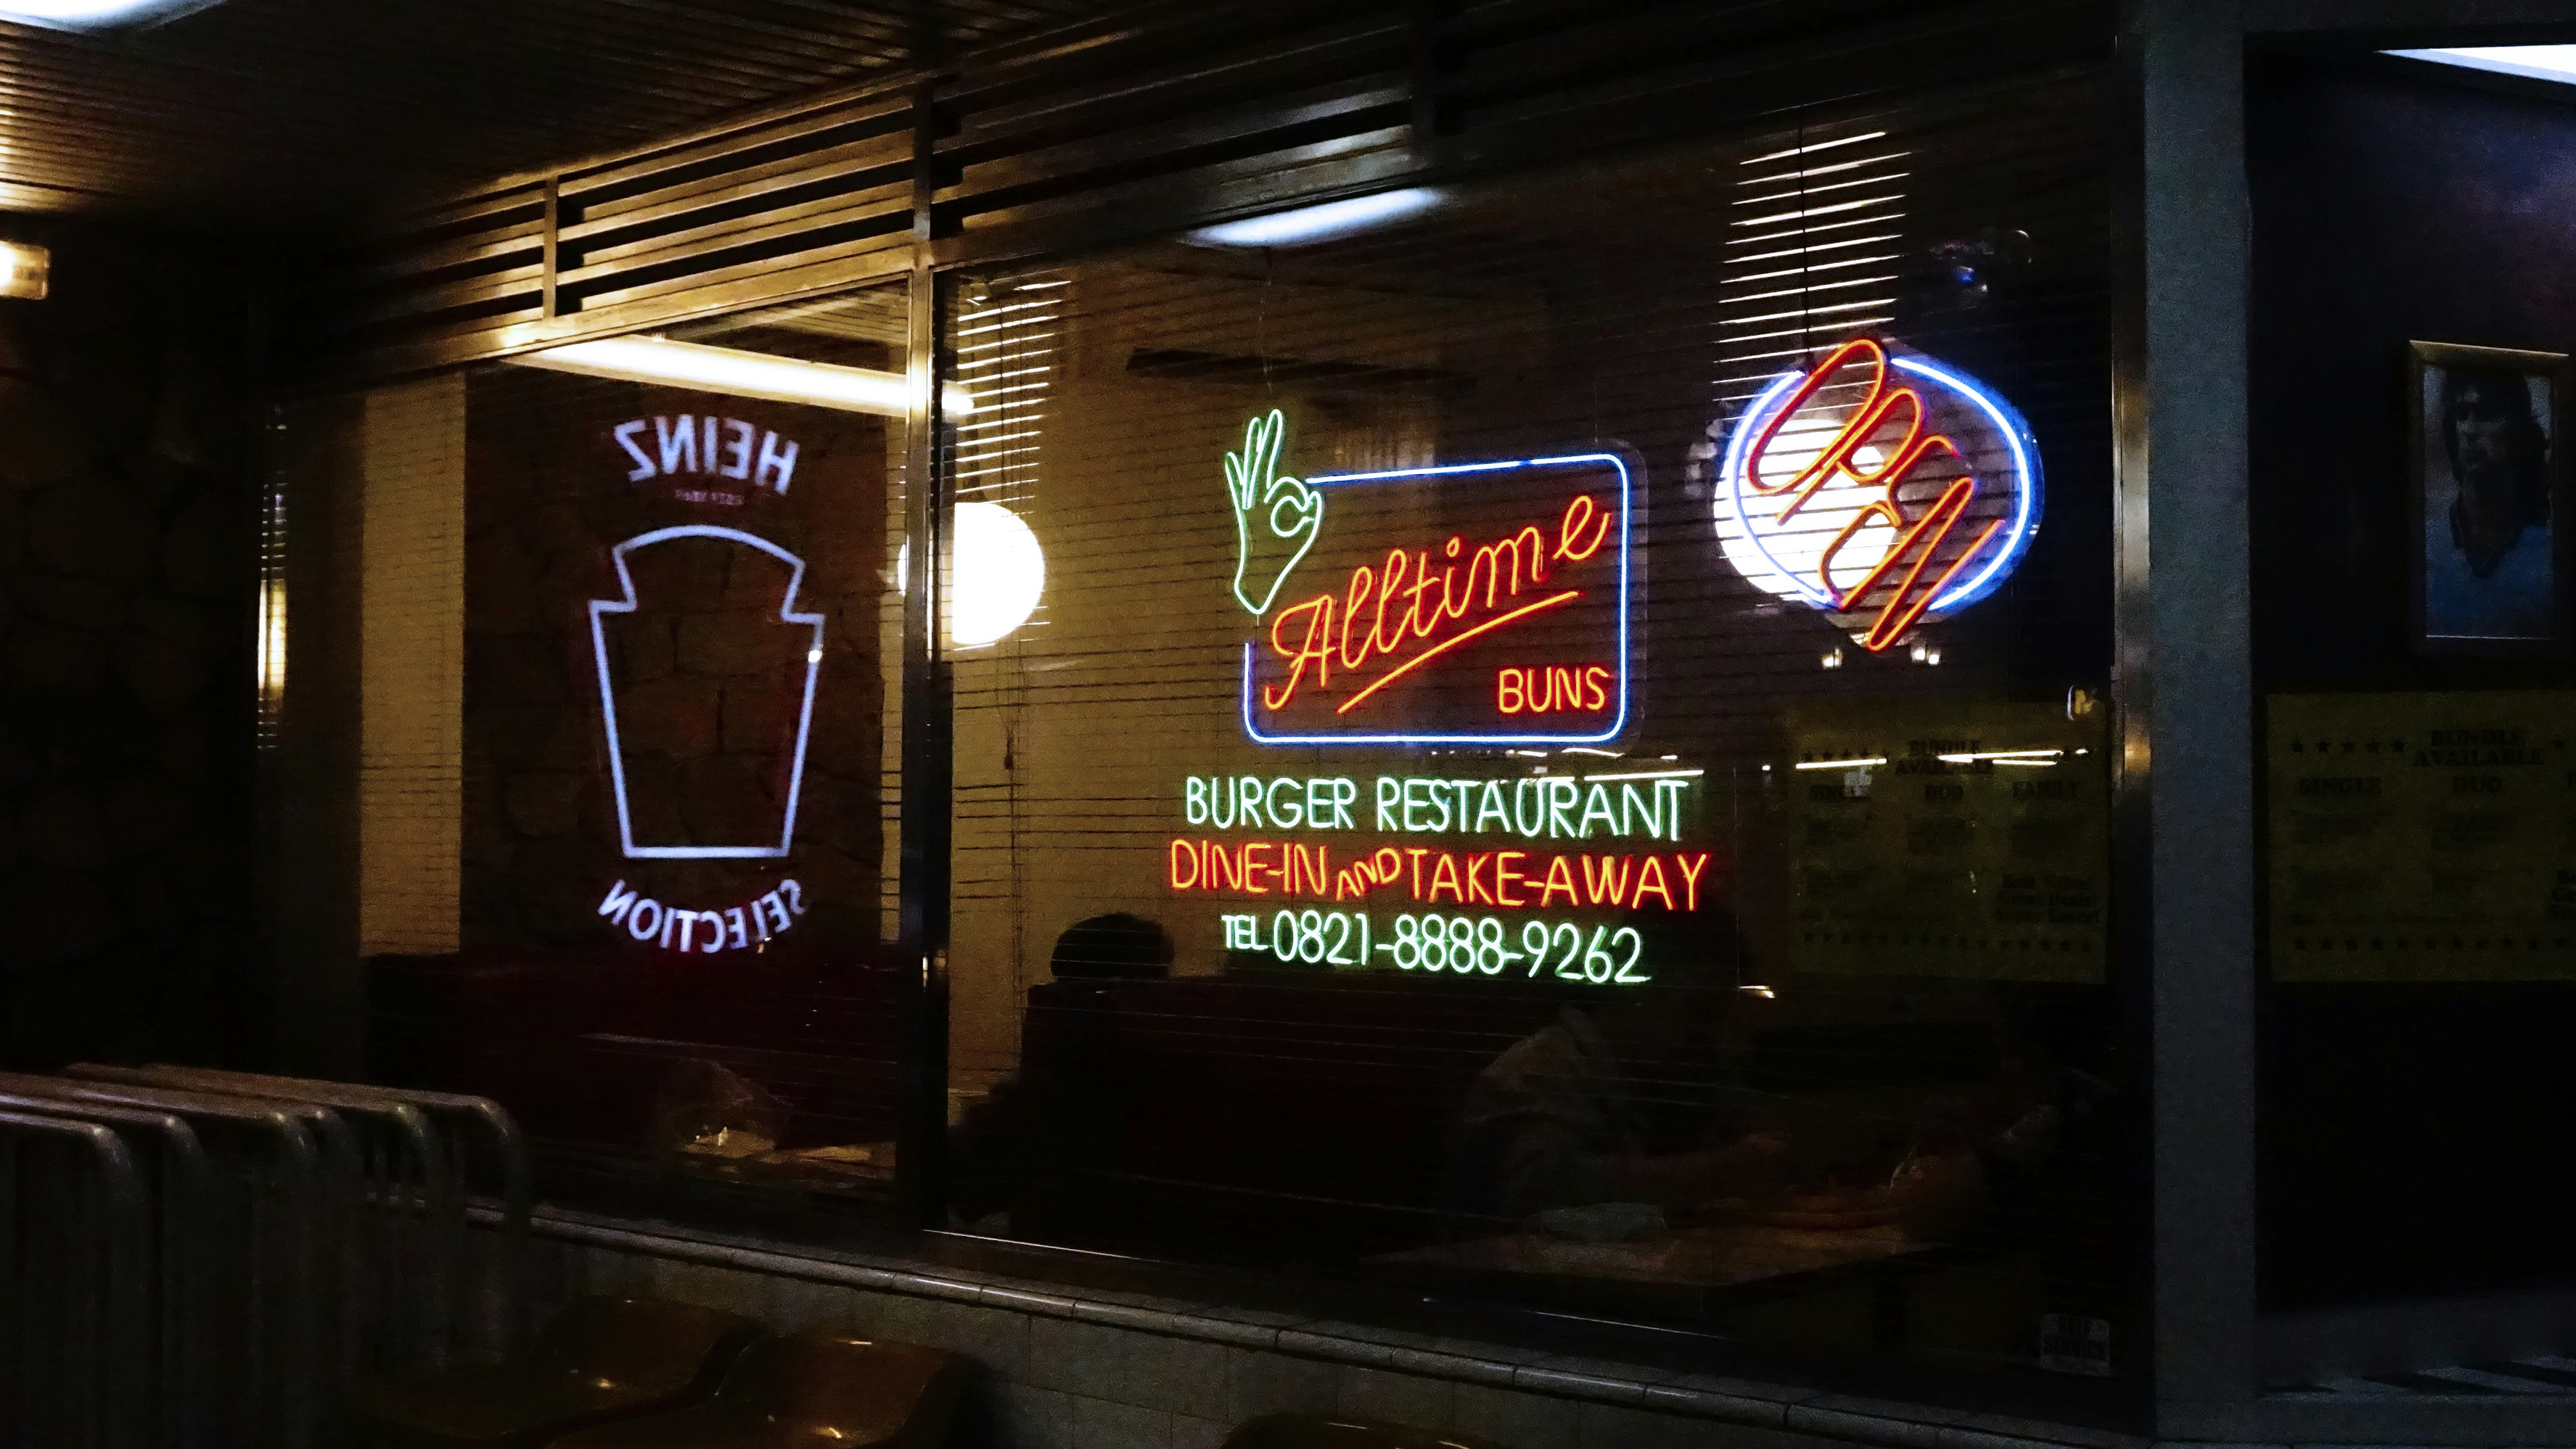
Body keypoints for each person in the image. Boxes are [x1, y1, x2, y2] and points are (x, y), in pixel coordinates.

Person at [1447, 909, 1795, 1219]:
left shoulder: (1691, 1076)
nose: (1714, 1037)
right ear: (1633, 995)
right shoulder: (1538, 1076)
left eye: (1723, 1018)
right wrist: (1720, 1172)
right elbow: (1537, 1194)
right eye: (1702, 1012)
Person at [2426, 366, 2555, 639]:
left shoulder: (2551, 548)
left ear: (2516, 428)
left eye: (2487, 414)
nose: (2470, 430)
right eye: (2462, 415)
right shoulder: (2429, 543)